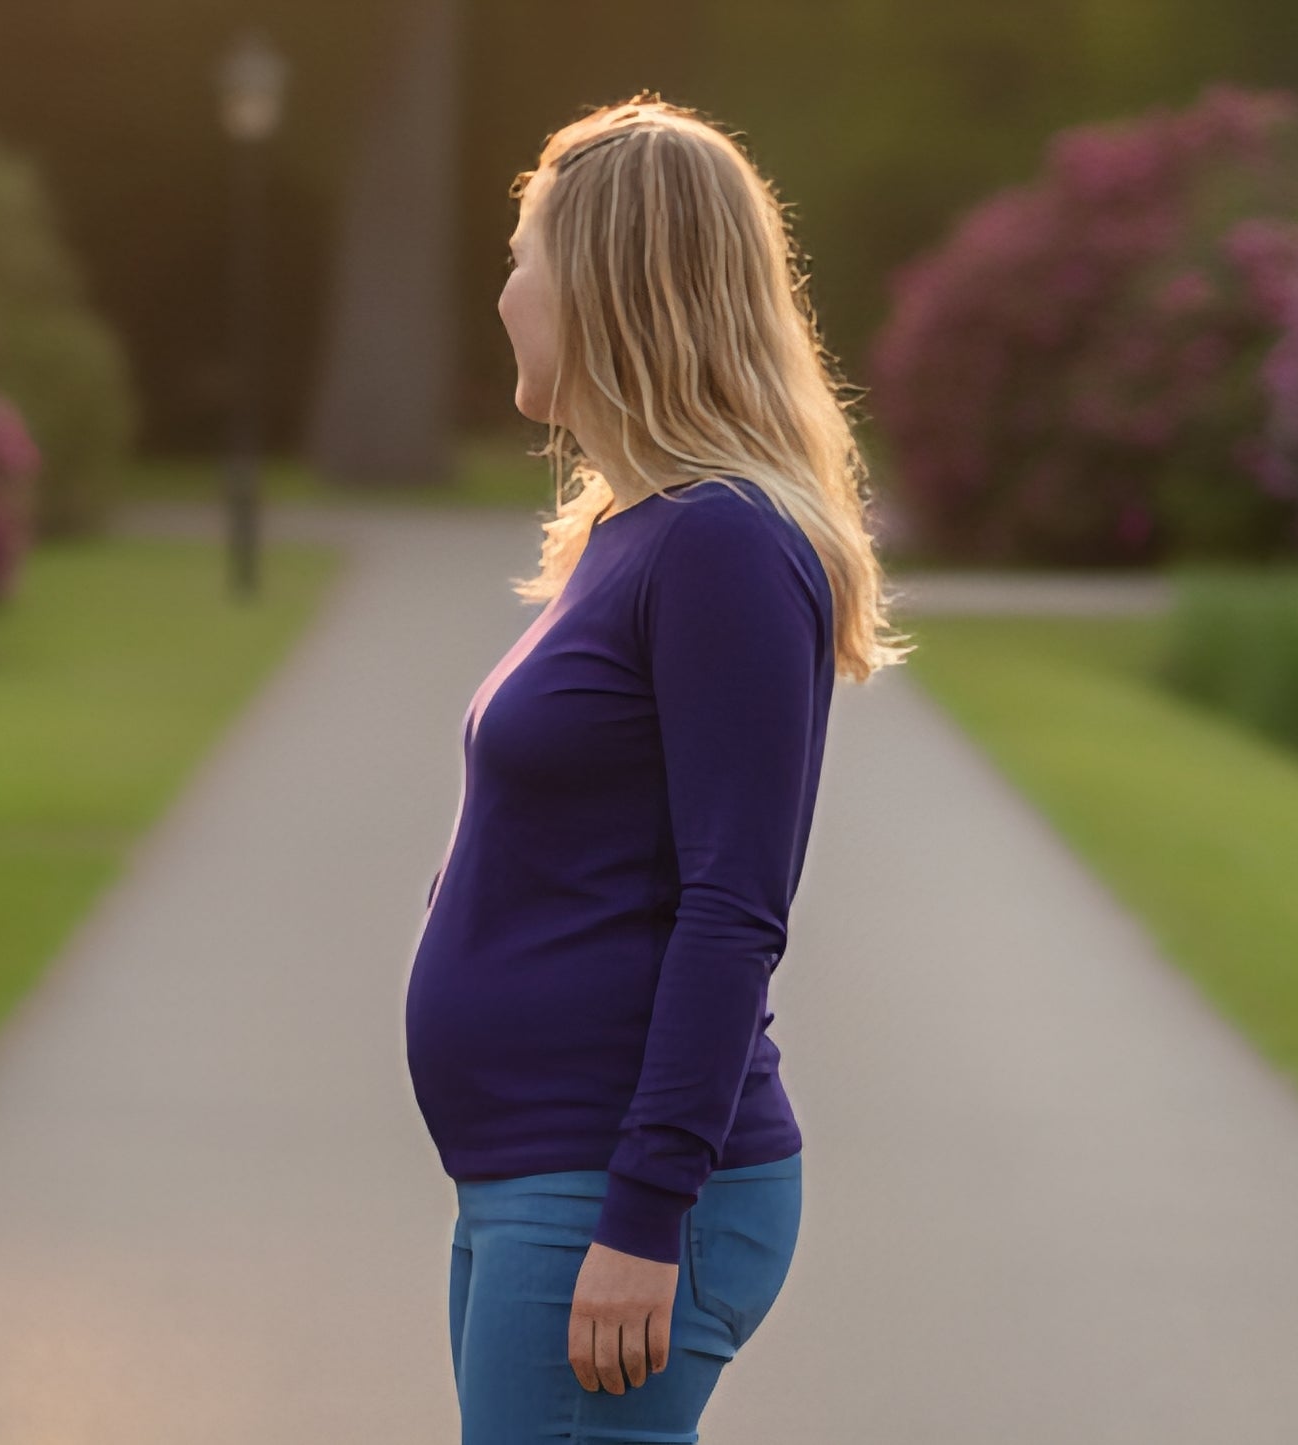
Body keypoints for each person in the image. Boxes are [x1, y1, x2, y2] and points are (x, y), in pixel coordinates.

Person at [403, 90, 916, 1443]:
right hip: (535, 1173)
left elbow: (734, 901)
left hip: (615, 1193)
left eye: (522, 257)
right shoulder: (634, 533)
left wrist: (643, 1213)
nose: (505, 292)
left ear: (602, 283)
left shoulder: (725, 546)